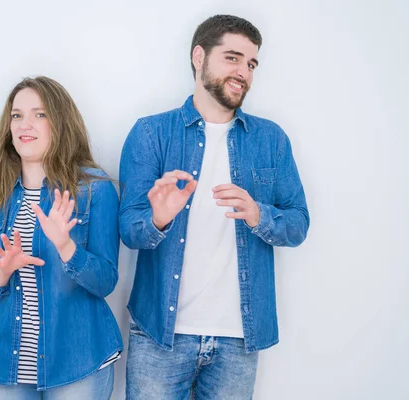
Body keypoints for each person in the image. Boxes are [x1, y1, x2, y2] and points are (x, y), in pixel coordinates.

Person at [119, 15, 310, 399]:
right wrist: (159, 217)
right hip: (161, 335)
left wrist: (259, 215)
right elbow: (128, 229)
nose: (244, 72)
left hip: (238, 341)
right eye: (233, 58)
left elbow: (299, 223)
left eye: (252, 64)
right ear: (198, 56)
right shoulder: (151, 133)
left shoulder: (271, 140)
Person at [0, 76, 122, 399]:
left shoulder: (95, 191)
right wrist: (0, 273)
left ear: (60, 122)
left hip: (78, 362)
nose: (25, 124)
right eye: (17, 115)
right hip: (7, 369)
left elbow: (106, 281)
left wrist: (66, 246)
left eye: (39, 114)